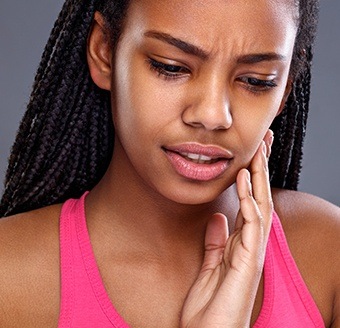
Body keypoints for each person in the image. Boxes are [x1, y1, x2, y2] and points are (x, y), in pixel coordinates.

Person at [0, 0, 339, 327]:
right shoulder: (9, 280)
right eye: (171, 66)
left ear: (285, 89)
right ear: (104, 51)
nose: (211, 116)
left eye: (256, 81)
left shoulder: (329, 259)